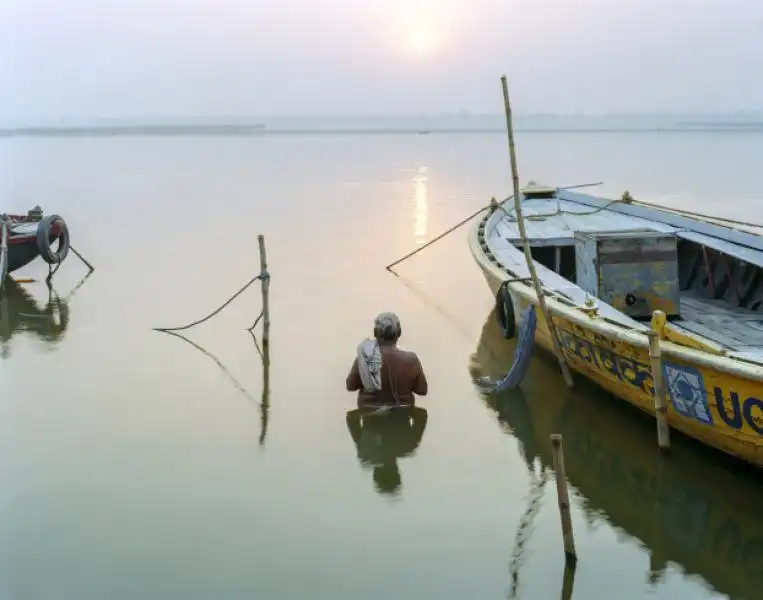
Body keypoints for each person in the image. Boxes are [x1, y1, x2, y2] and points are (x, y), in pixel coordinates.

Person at [345, 312, 428, 408]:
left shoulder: (365, 358)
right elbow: (422, 391)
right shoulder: (411, 360)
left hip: (371, 417)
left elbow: (350, 386)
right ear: (399, 332)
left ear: (375, 333)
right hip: (402, 415)